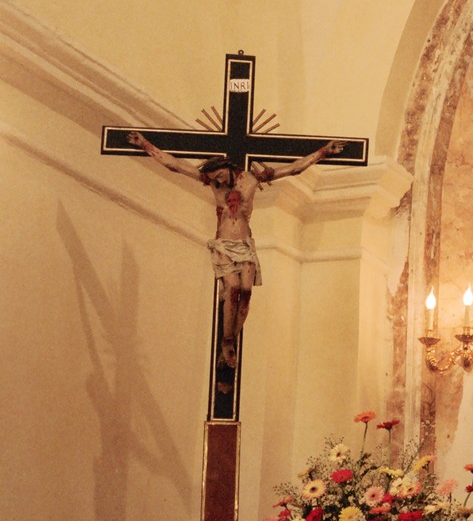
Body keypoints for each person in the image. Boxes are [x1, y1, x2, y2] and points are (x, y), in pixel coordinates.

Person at [127, 131, 345, 365]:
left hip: (244, 245)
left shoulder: (251, 180)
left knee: (247, 292)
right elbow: (175, 166)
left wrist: (324, 152)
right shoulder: (212, 182)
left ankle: (232, 338)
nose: (219, 182)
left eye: (220, 175)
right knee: (232, 288)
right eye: (215, 179)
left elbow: (293, 169)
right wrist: (144, 144)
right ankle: (226, 340)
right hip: (223, 244)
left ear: (228, 166)